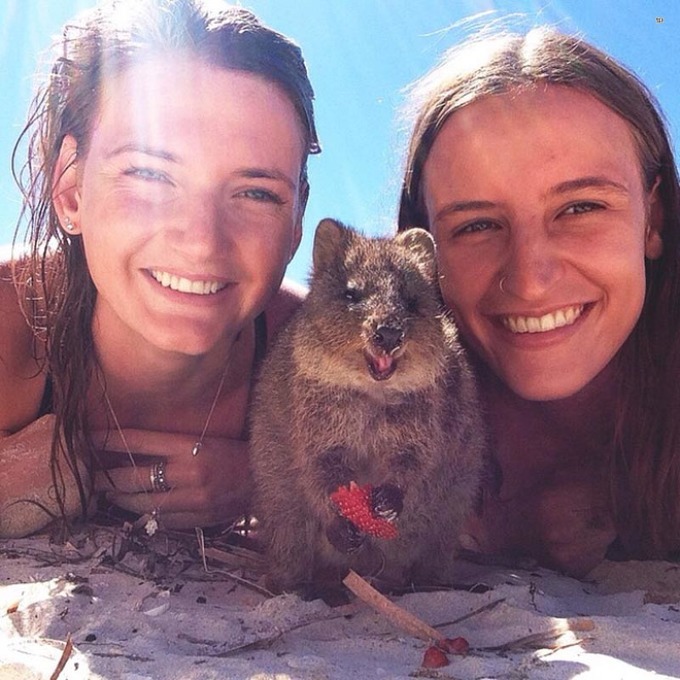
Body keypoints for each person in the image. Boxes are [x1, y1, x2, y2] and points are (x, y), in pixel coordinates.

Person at [0, 0, 320, 538]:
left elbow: (415, 508)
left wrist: (269, 477)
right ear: (71, 191)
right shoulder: (11, 324)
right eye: (149, 173)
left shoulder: (315, 354)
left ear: (296, 223)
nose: (201, 242)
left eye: (257, 192)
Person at [398, 26, 680, 577]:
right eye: (477, 225)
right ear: (425, 253)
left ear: (654, 219)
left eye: (580, 208)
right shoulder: (392, 397)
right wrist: (509, 528)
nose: (530, 280)